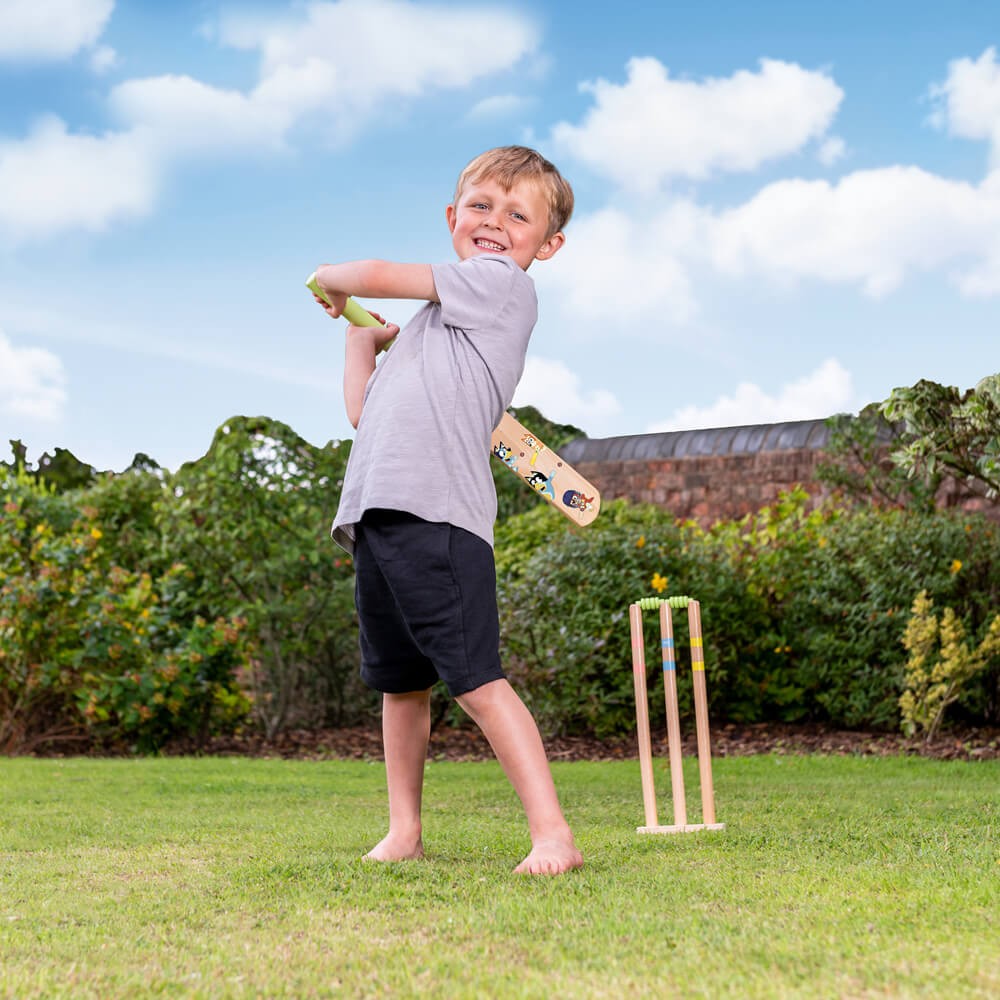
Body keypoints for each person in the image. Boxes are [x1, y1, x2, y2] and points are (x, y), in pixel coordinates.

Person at [312, 146, 583, 876]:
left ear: (546, 245)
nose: (495, 223)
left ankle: (553, 834)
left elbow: (381, 277)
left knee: (477, 681)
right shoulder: (434, 329)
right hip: (379, 515)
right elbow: (366, 415)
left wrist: (339, 281)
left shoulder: (499, 288)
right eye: (481, 207)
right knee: (400, 686)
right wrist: (359, 340)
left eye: (518, 215)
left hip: (440, 518)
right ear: (452, 216)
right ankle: (405, 830)